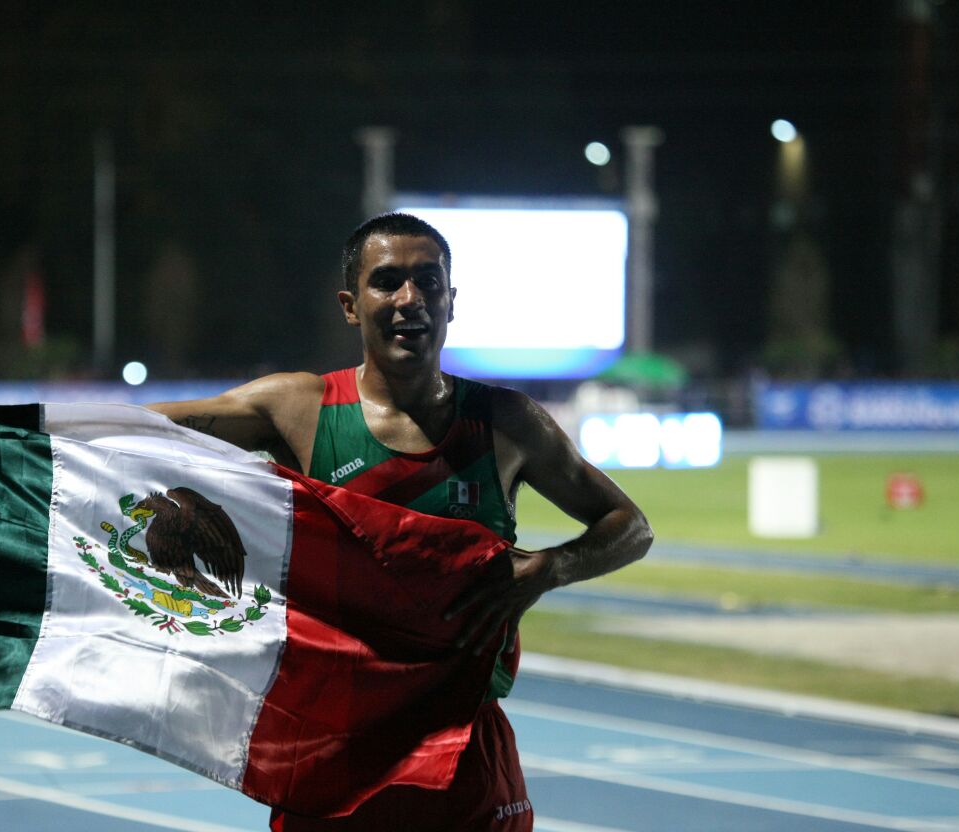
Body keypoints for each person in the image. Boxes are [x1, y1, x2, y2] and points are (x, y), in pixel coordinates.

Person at [147, 212, 653, 831]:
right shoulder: (300, 409)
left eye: (428, 282)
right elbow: (139, 430)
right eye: (387, 281)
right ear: (351, 305)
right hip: (335, 758)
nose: (410, 299)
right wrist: (16, 433)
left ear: (450, 300)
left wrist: (548, 569)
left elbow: (630, 525)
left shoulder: (506, 423)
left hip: (464, 760)